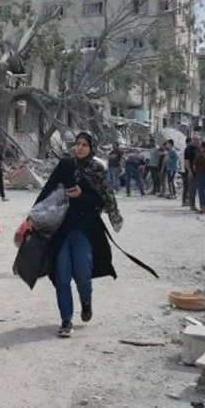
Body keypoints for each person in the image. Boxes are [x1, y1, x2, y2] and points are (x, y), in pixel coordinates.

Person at [33, 132, 124, 338]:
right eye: (78, 144)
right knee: (62, 274)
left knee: (83, 272)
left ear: (91, 148)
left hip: (85, 229)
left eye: (84, 145)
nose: (80, 148)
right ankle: (66, 320)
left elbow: (102, 200)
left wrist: (82, 195)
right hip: (61, 228)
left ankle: (86, 300)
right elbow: (47, 190)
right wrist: (33, 217)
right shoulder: (66, 165)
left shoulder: (97, 170)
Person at [184, 136, 200, 210]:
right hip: (191, 172)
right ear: (192, 140)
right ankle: (192, 205)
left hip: (199, 172)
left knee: (198, 190)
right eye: (195, 140)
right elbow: (186, 161)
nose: (197, 141)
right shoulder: (188, 149)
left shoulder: (198, 148)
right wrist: (189, 171)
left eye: (198, 140)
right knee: (192, 189)